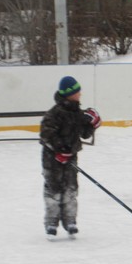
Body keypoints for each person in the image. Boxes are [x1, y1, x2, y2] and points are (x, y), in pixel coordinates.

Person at [39, 76, 101, 238]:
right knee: (54, 190)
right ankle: (51, 222)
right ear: (69, 93)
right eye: (76, 91)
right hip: (52, 159)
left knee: (70, 189)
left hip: (70, 158)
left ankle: (70, 221)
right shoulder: (54, 113)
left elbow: (84, 134)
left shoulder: (78, 113)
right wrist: (59, 150)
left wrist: (93, 124)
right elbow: (46, 134)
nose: (80, 93)